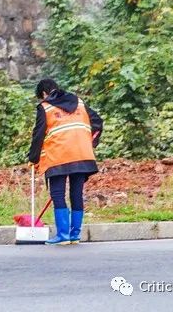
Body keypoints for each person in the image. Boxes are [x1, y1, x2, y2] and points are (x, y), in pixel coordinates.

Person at [28, 79, 103, 245]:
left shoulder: (45, 107)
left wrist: (33, 158)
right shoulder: (80, 104)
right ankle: (74, 234)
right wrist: (88, 143)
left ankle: (63, 235)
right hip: (82, 155)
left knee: (57, 194)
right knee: (76, 194)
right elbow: (98, 123)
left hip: (58, 156)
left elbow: (38, 135)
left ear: (44, 94)